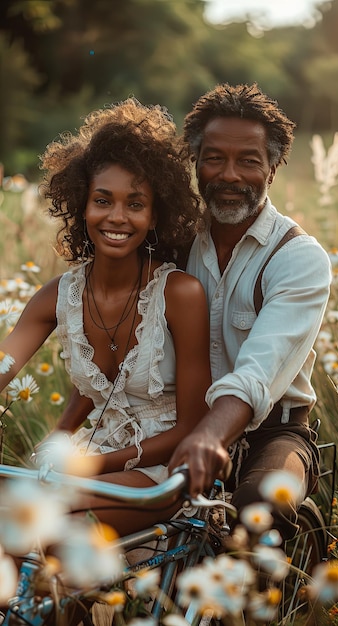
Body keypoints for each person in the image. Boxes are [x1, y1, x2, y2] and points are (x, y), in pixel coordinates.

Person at [0, 98, 212, 536]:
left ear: (155, 215)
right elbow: (5, 363)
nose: (117, 217)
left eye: (135, 204)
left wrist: (89, 463)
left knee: (33, 524)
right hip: (87, 462)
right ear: (81, 206)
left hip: (160, 472)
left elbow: (191, 427)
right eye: (102, 200)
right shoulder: (55, 297)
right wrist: (61, 440)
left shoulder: (180, 294)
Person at [169, 82, 332, 540]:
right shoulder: (175, 243)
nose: (229, 175)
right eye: (214, 158)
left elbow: (259, 370)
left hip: (276, 430)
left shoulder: (298, 257)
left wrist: (209, 435)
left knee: (258, 507)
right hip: (180, 419)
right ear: (196, 163)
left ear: (273, 168)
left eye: (248, 160)